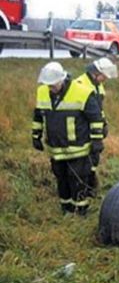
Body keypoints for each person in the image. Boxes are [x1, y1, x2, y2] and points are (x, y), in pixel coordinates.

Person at [32, 62, 105, 215]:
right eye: (48, 85)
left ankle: (81, 210)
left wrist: (97, 140)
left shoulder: (82, 92)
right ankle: (66, 209)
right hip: (55, 149)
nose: (50, 88)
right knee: (61, 179)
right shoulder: (42, 91)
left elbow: (95, 117)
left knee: (77, 180)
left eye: (53, 85)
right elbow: (38, 115)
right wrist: (36, 136)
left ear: (62, 79)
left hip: (78, 149)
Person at [76, 58, 118, 196]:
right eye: (104, 76)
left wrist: (103, 123)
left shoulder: (98, 84)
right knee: (84, 160)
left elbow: (99, 109)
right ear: (95, 73)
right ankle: (83, 188)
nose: (105, 79)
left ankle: (90, 185)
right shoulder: (80, 84)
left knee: (94, 157)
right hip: (83, 129)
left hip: (95, 127)